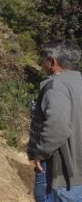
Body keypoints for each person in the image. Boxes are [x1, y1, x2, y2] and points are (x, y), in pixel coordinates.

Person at [29, 40, 82, 201]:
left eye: (43, 60)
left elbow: (57, 127)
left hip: (62, 174)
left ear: (53, 62)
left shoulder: (56, 86)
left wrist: (40, 152)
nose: (42, 65)